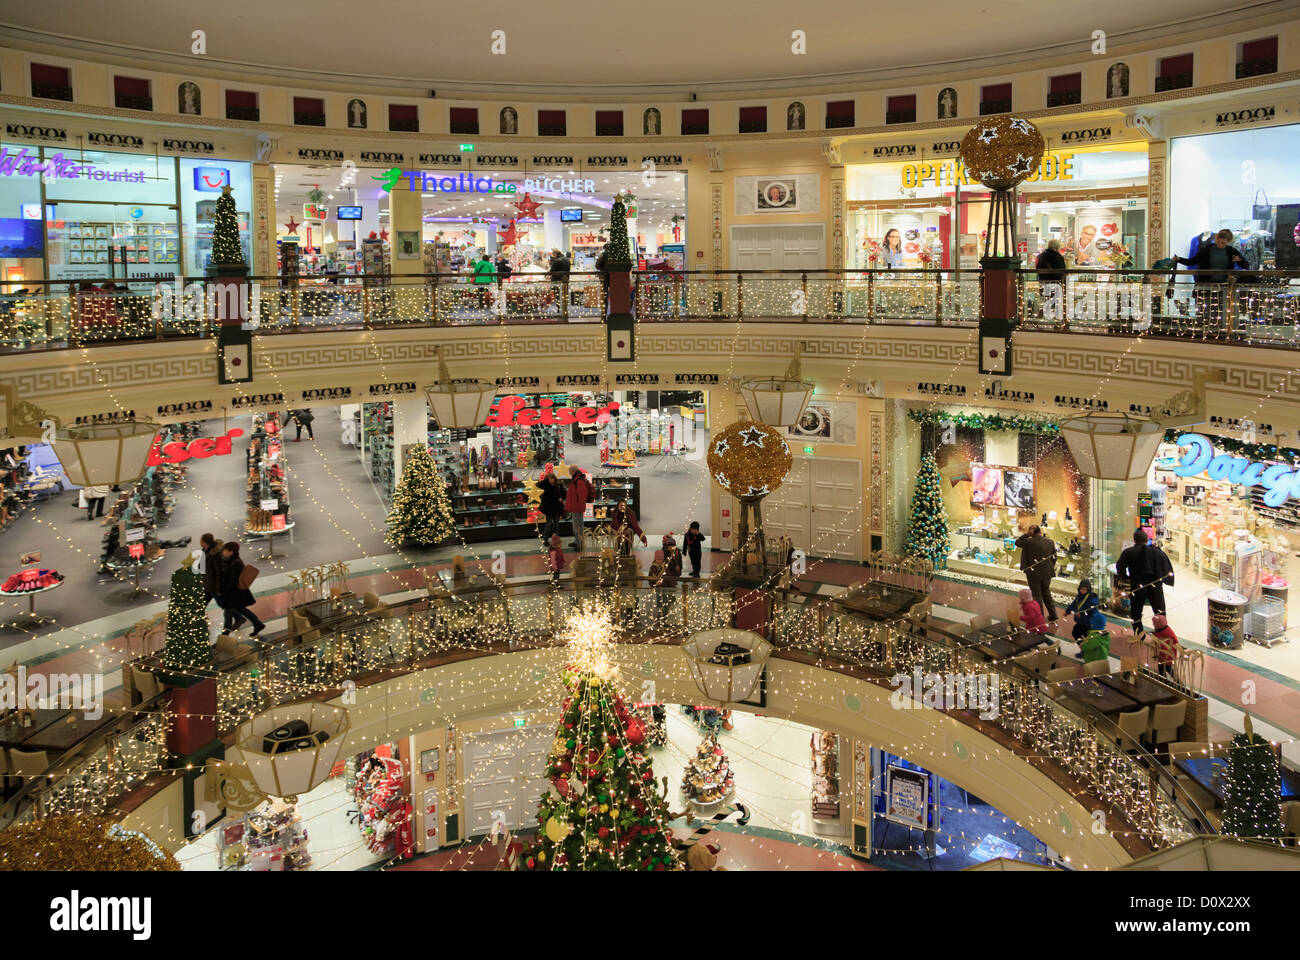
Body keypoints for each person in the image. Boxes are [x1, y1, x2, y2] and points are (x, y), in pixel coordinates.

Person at [1175, 228, 1245, 330]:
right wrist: (1179, 259)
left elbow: (1245, 264)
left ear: (1228, 242)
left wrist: (1239, 260)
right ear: (1216, 240)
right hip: (1206, 286)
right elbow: (1193, 261)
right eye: (1219, 242)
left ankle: (1219, 330)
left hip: (1223, 287)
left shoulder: (1231, 251)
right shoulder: (1207, 249)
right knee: (1204, 309)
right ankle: (1204, 329)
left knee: (1220, 310)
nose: (1220, 244)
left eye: (1223, 243)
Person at [1115, 529, 1174, 635]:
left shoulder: (1128, 552)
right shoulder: (1157, 552)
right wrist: (1166, 580)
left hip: (1137, 585)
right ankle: (1162, 634)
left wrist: (1126, 577)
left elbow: (1120, 566)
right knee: (1160, 612)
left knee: (1136, 612)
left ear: (1134, 540)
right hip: (1155, 585)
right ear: (1147, 539)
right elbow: (1166, 567)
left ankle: (1139, 635)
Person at [218, 541, 265, 635]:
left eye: (225, 550)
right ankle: (258, 624)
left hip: (233, 594)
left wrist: (223, 591)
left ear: (231, 552)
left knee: (228, 615)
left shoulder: (236, 563)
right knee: (241, 610)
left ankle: (223, 637)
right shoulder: (230, 561)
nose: (223, 552)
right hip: (234, 594)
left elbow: (233, 581)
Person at [1014, 525, 1058, 621]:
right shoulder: (1050, 542)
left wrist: (1026, 534)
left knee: (1036, 595)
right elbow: (1054, 557)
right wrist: (1050, 567)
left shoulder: (1029, 541)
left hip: (1033, 572)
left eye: (1029, 530)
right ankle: (1053, 615)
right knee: (1046, 593)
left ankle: (1040, 617)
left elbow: (1017, 542)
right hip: (1047, 572)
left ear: (1032, 531)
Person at [1035, 238, 1067, 317]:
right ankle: (1057, 321)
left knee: (1047, 300)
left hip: (1043, 282)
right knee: (1056, 302)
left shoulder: (1041, 255)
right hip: (1055, 282)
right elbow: (1061, 270)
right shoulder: (1057, 256)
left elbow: (1038, 268)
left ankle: (1041, 316)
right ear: (1057, 246)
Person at [564, 467, 593, 551]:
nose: (569, 473)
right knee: (575, 526)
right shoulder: (576, 480)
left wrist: (579, 506)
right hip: (575, 506)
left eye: (569, 471)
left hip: (577, 507)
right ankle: (577, 541)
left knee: (578, 526)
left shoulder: (579, 481)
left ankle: (580, 543)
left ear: (573, 471)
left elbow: (582, 496)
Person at [1151, 614, 1180, 679]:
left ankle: (1177, 682)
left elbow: (1161, 641)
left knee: (1168, 669)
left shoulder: (1165, 632)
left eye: (1154, 624)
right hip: (1163, 655)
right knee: (1163, 669)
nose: (1153, 625)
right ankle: (1164, 679)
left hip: (1166, 656)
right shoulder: (1164, 629)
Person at [199, 533, 224, 608]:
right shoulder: (205, 551)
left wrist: (218, 589)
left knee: (224, 605)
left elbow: (218, 573)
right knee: (201, 604)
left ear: (204, 542)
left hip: (213, 586)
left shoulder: (214, 555)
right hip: (207, 584)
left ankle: (239, 617)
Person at [539, 471, 565, 544]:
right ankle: (545, 539)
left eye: (552, 478)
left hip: (557, 508)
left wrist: (561, 498)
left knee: (556, 524)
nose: (551, 480)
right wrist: (545, 480)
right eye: (549, 479)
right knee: (549, 524)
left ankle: (556, 538)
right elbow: (539, 485)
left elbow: (563, 493)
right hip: (549, 508)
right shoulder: (546, 486)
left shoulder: (558, 485)